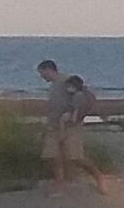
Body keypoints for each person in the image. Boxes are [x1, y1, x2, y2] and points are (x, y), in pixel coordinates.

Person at [37, 58, 105, 191]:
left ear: (48, 70)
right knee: (52, 155)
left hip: (71, 126)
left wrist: (75, 115)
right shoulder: (52, 86)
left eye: (42, 73)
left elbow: (88, 97)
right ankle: (59, 183)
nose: (41, 76)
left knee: (76, 158)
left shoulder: (67, 81)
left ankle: (98, 176)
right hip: (54, 125)